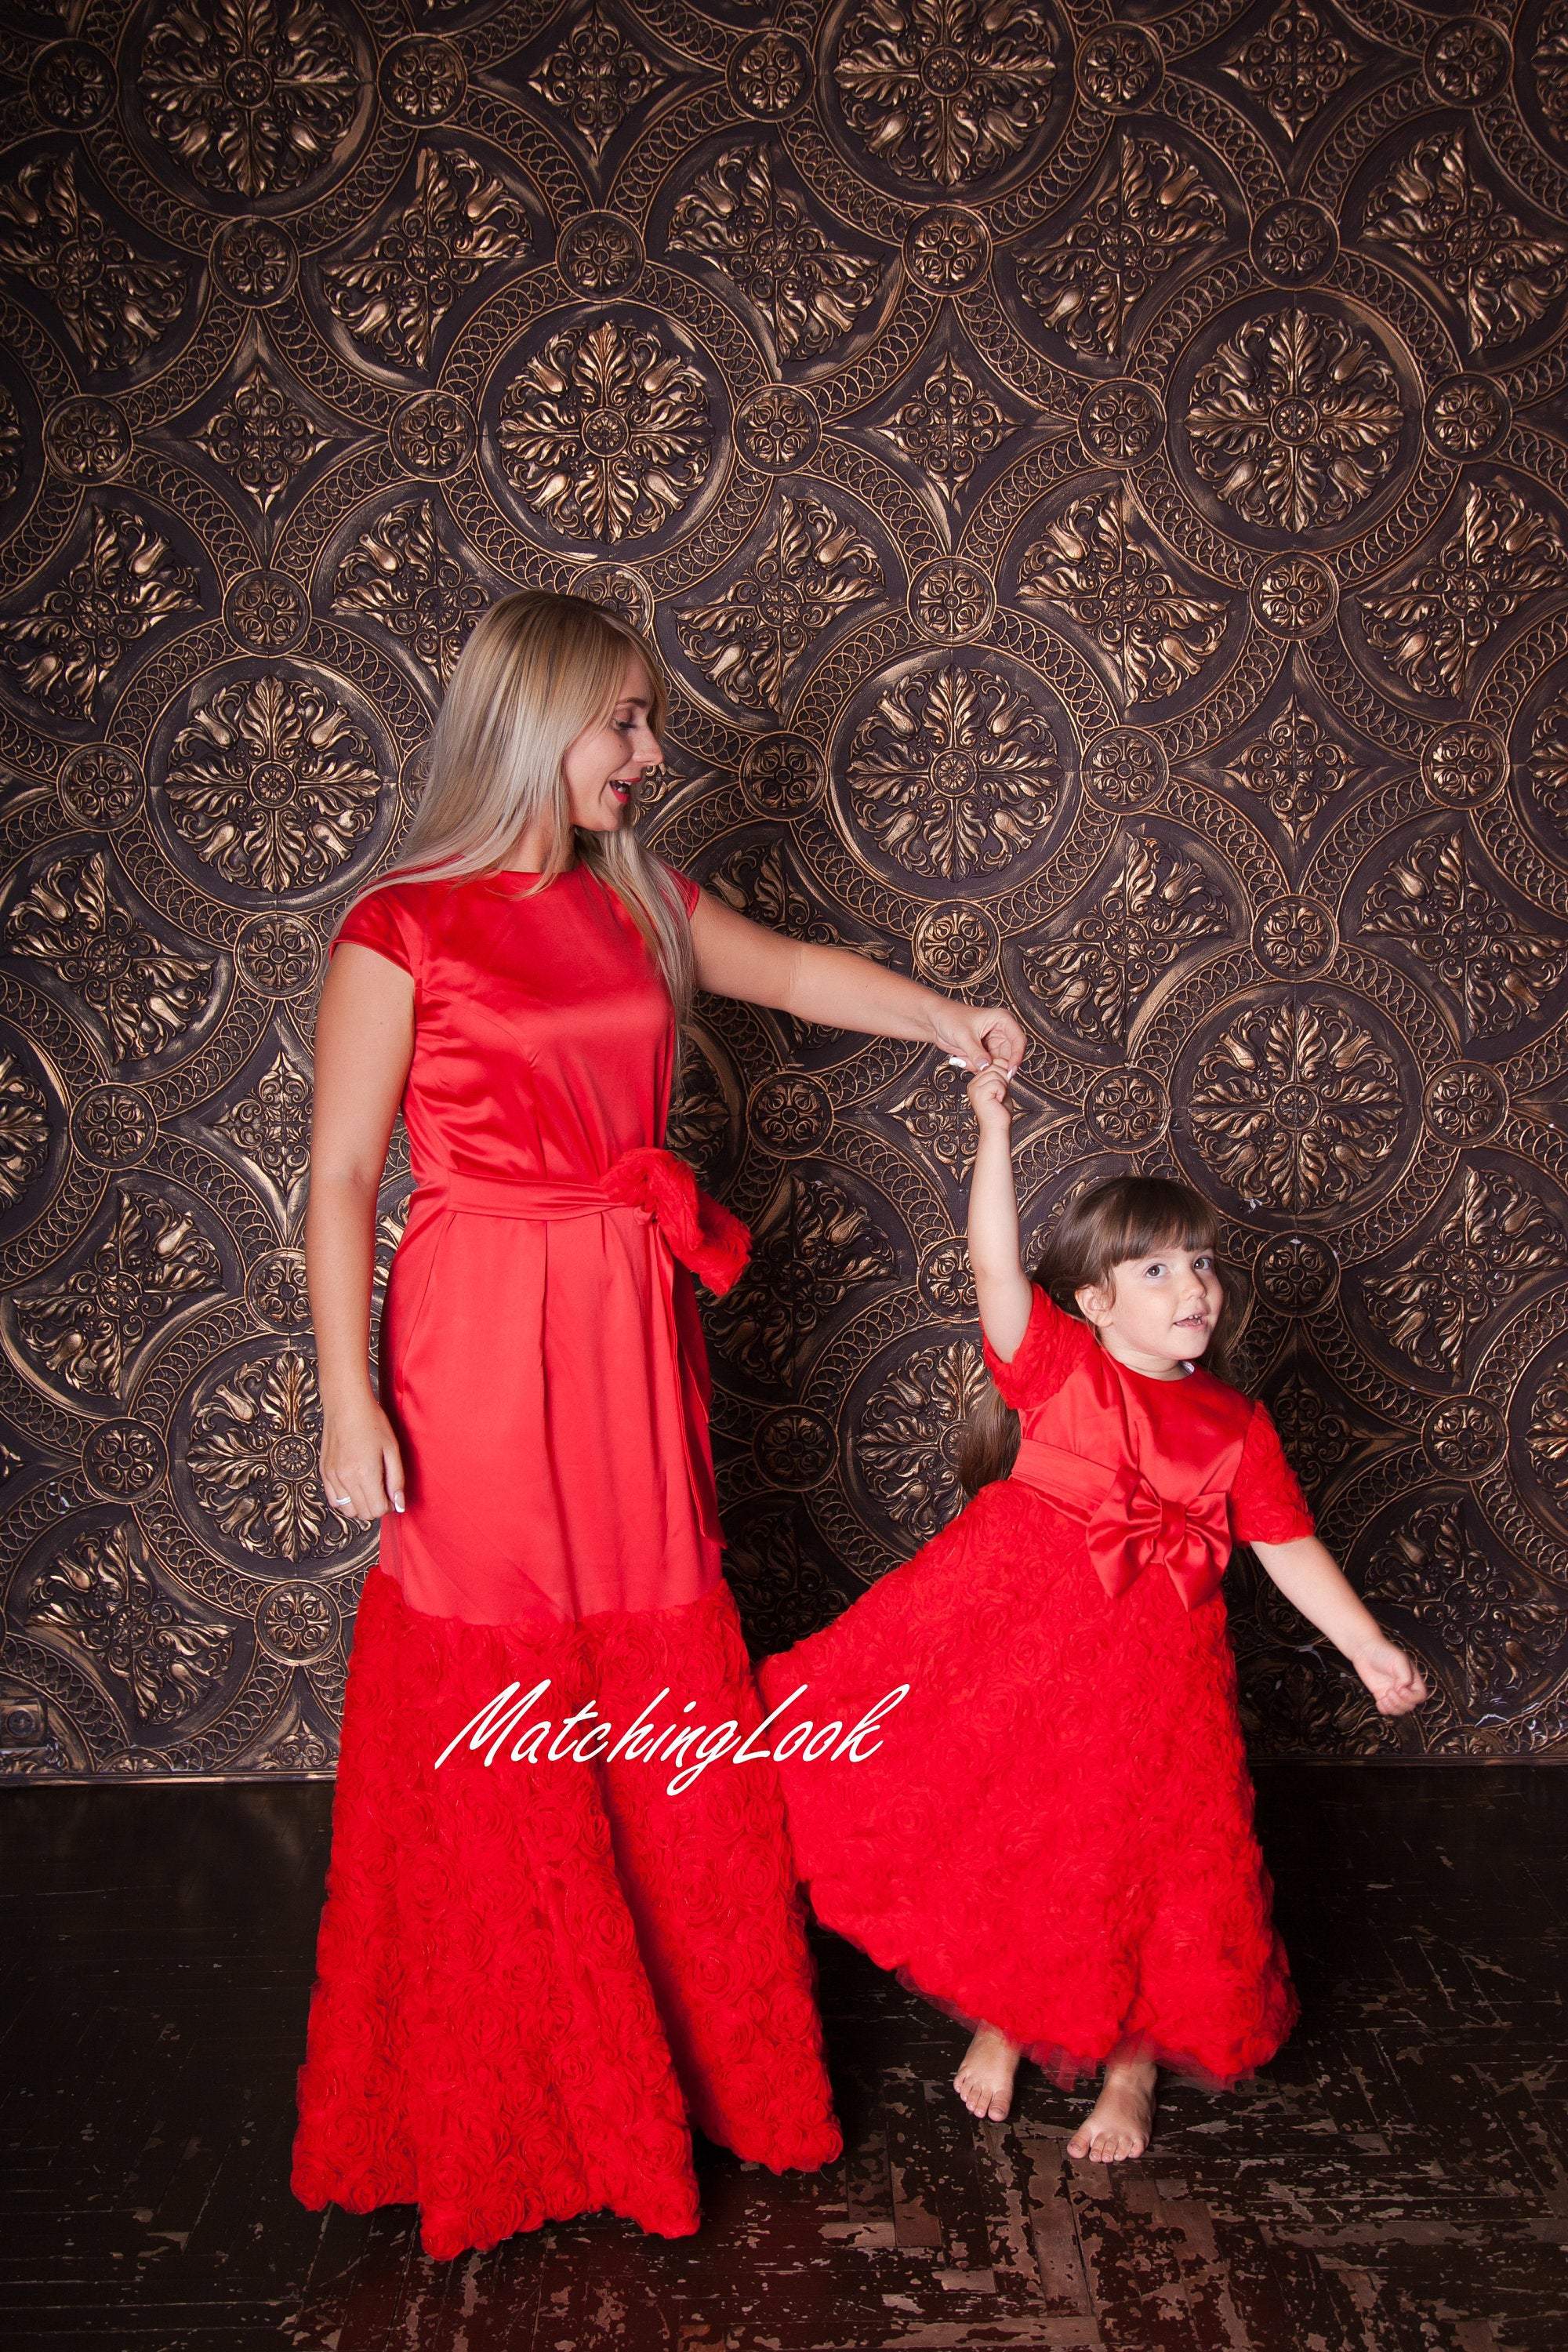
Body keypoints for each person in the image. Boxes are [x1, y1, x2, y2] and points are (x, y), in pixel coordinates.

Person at [290, 590, 1025, 2259]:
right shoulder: (397, 929)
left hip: (625, 1321)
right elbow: (339, 1178)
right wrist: (346, 1396)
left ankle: (682, 2071)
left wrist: (941, 1018)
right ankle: (519, 2103)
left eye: (647, 721)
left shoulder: (634, 897)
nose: (646, 750)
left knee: (652, 1664)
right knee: (500, 1678)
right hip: (478, 1329)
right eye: (621, 720)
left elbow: (782, 973)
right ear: (529, 720)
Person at [756, 1061, 1428, 2163]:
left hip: (1155, 1682)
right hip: (1019, 1652)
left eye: (1201, 1264)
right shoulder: (1059, 1369)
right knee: (1027, 1833)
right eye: (1156, 1269)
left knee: (1145, 1859)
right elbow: (991, 1265)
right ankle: (1009, 2018)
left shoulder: (1233, 1424)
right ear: (1095, 1302)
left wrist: (1368, 1649)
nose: (1193, 1288)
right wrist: (991, 1132)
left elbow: (1284, 1542)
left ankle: (1129, 2070)